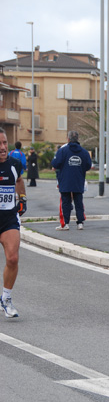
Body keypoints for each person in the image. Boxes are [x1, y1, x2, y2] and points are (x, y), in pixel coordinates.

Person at [0, 128, 27, 318]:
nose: (2, 148)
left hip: (9, 218)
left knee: (13, 258)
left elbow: (19, 180)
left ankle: (6, 298)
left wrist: (22, 198)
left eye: (4, 143)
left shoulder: (15, 164)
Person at [51, 130, 92, 231]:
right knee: (78, 201)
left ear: (68, 138)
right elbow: (88, 165)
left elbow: (55, 163)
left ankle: (65, 224)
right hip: (78, 180)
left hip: (65, 180)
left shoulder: (62, 151)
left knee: (65, 202)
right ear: (78, 139)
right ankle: (80, 223)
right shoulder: (84, 152)